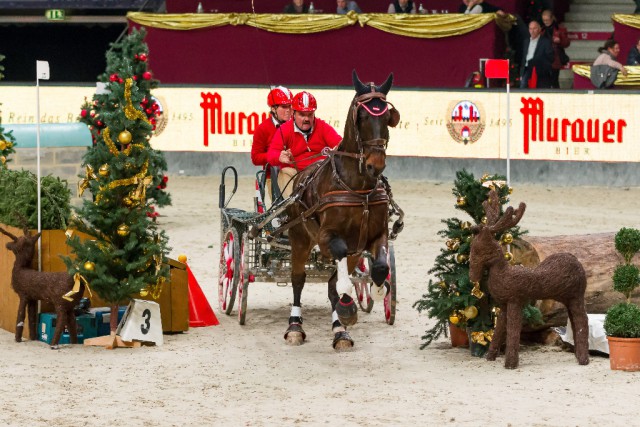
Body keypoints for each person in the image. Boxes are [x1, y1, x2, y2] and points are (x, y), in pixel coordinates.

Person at [267, 91, 342, 198]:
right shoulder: (284, 130)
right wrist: (279, 156)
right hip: (295, 174)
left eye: (310, 115)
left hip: (320, 173)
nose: (306, 119)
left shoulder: (323, 127)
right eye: (302, 115)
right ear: (293, 113)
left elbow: (339, 143)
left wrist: (338, 148)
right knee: (284, 172)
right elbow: (271, 154)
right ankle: (292, 206)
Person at [251, 86, 293, 201]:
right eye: (284, 107)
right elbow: (255, 158)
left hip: (299, 172)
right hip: (275, 176)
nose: (289, 110)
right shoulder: (263, 129)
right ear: (273, 109)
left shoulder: (298, 125)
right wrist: (277, 156)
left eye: (290, 106)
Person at [519, 20, 554, 89]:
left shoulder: (545, 42)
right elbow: (523, 58)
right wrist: (521, 73)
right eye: (530, 29)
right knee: (522, 87)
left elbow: (550, 57)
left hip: (540, 70)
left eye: (535, 28)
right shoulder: (526, 41)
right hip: (527, 68)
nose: (532, 31)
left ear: (539, 29)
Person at [541, 10, 570, 88]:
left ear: (552, 18)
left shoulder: (560, 29)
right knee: (545, 80)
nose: (545, 22)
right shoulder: (542, 30)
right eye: (544, 20)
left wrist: (560, 41)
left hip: (555, 58)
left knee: (554, 80)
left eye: (547, 20)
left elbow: (567, 43)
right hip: (544, 59)